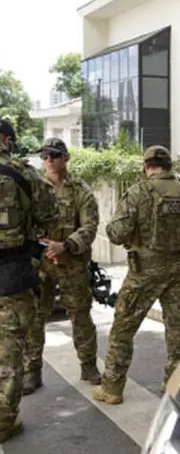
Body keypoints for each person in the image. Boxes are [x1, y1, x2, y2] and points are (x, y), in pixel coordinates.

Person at [93, 145, 180, 404]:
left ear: (146, 166)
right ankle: (175, 386)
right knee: (176, 330)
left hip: (144, 274)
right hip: (179, 272)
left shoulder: (137, 193)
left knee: (123, 328)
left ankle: (112, 388)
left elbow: (117, 234)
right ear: (169, 165)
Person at [22, 138, 101, 394]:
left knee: (80, 314)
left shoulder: (80, 190)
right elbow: (22, 223)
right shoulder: (33, 189)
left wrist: (66, 246)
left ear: (65, 157)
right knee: (35, 317)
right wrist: (44, 246)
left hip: (72, 263)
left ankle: (88, 365)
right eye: (44, 155)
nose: (48, 160)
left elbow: (89, 226)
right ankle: (32, 371)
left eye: (54, 155)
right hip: (41, 263)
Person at [0, 118, 58, 441]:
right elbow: (49, 215)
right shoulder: (22, 173)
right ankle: (4, 421)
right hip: (11, 276)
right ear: (7, 140)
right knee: (10, 351)